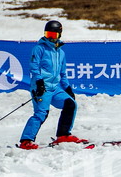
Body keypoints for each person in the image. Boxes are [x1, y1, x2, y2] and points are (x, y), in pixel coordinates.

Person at [19, 20, 85, 149]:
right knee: (41, 113)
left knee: (70, 104)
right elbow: (34, 66)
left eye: (53, 35)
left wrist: (67, 88)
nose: (49, 37)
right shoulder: (39, 48)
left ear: (59, 35)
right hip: (41, 87)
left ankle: (63, 135)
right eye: (47, 34)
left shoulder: (61, 53)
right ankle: (26, 140)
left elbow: (63, 73)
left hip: (55, 88)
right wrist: (39, 81)